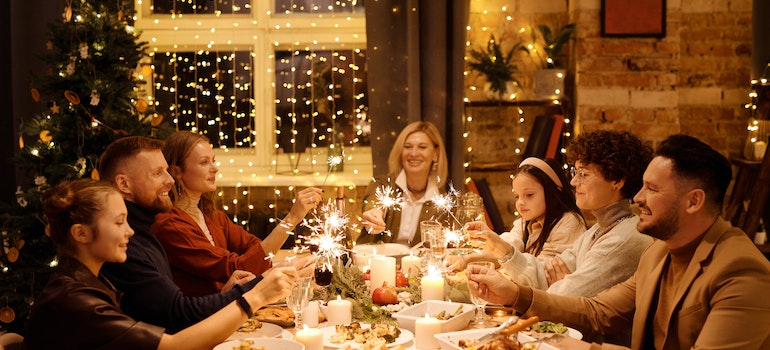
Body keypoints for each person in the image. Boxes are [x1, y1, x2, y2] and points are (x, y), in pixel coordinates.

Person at [467, 134, 770, 349]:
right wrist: (512, 293)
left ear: (694, 201)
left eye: (652, 189)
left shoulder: (742, 271)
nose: (638, 198)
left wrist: (585, 349)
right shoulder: (660, 253)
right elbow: (596, 312)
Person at [23, 179, 297, 350]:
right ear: (81, 233)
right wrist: (256, 296)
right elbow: (175, 345)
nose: (129, 231)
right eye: (119, 222)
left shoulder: (92, 280)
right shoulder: (74, 300)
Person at [98, 136, 313, 333]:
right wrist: (261, 285)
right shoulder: (153, 231)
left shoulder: (207, 215)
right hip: (198, 329)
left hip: (211, 318)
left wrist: (229, 292)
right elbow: (178, 314)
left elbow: (254, 251)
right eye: (157, 173)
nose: (170, 180)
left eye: (166, 171)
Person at [466, 130, 654, 297]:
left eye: (584, 174)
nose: (573, 182)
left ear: (617, 180)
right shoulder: (597, 230)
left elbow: (565, 296)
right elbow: (542, 275)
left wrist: (556, 282)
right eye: (575, 172)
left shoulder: (623, 238)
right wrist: (500, 247)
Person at [151, 130, 322, 296]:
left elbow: (255, 247)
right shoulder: (171, 225)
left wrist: (278, 264)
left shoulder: (210, 214)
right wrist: (292, 218)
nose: (215, 168)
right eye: (204, 162)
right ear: (176, 172)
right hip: (206, 317)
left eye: (213, 160)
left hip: (230, 304)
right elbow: (236, 266)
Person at [448, 157, 586, 271]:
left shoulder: (569, 222)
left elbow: (542, 274)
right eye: (517, 196)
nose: (520, 203)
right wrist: (466, 259)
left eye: (529, 195)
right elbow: (508, 247)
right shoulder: (526, 222)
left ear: (552, 192)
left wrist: (497, 246)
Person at [356, 121, 449, 245]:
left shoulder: (443, 204)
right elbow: (374, 201)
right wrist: (374, 213)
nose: (414, 153)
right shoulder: (382, 184)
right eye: (408, 147)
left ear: (435, 154)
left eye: (422, 147)